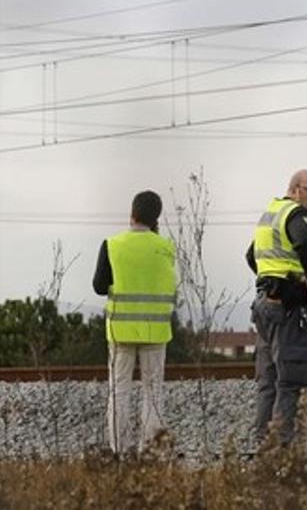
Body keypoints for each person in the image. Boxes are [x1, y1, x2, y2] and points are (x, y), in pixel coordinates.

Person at [246, 169, 307, 445]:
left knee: (268, 381)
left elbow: (250, 255)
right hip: (290, 308)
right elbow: (305, 241)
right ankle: (284, 452)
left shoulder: (272, 215)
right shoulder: (295, 214)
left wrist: (271, 280)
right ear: (295, 190)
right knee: (293, 381)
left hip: (266, 304)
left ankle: (263, 446)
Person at [93, 189, 176, 454]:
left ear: (132, 213)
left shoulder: (112, 244)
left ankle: (119, 451)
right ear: (156, 218)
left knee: (119, 392)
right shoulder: (166, 247)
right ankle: (150, 451)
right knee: (153, 392)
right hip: (156, 331)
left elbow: (98, 286)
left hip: (120, 330)